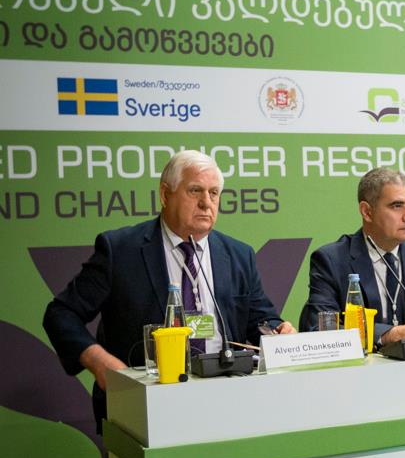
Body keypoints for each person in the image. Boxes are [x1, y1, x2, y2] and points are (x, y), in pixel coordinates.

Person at [43, 149, 294, 422]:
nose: (206, 203)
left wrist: (277, 331)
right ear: (165, 194)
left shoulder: (238, 255)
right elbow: (61, 314)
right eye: (195, 191)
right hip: (145, 403)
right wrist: (100, 363)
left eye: (213, 193)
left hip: (227, 399)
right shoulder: (120, 250)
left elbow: (260, 320)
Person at [299, 168, 405, 344]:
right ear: (367, 212)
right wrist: (392, 334)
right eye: (397, 206)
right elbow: (321, 329)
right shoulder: (332, 260)